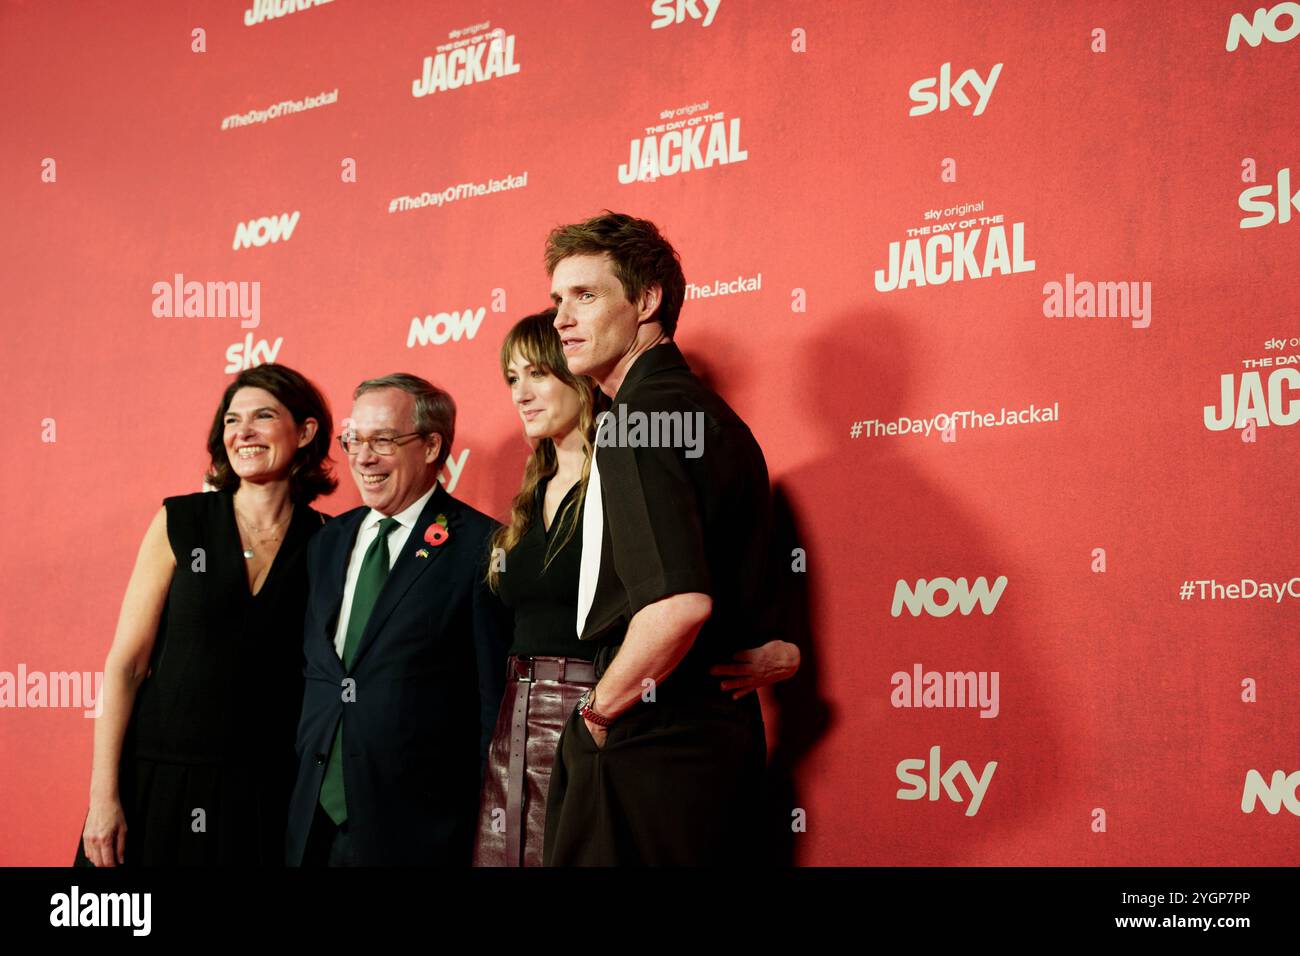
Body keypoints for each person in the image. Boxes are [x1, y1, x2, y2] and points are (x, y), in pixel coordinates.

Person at [473, 309, 800, 866]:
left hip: (604, 709)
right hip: (518, 721)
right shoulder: (526, 504)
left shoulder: (633, 465)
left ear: (576, 376)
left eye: (537, 375)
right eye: (511, 378)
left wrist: (779, 649)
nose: (520, 394)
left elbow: (696, 584)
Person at [541, 211, 796, 866]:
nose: (562, 319)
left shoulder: (636, 422)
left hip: (647, 737)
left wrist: (597, 714)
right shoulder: (714, 418)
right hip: (719, 742)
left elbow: (679, 604)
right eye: (557, 300)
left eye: (586, 296)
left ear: (647, 300)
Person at [76, 363, 336, 866]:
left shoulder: (329, 540)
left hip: (264, 793)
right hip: (159, 781)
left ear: (305, 432)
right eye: (232, 420)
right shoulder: (181, 520)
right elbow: (126, 665)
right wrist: (103, 798)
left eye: (263, 416)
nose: (244, 432)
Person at [285, 373, 512, 867]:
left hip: (418, 829)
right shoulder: (327, 542)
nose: (364, 458)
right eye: (354, 440)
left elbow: (492, 701)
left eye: (383, 440)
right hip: (315, 820)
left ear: (432, 446)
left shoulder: (480, 546)